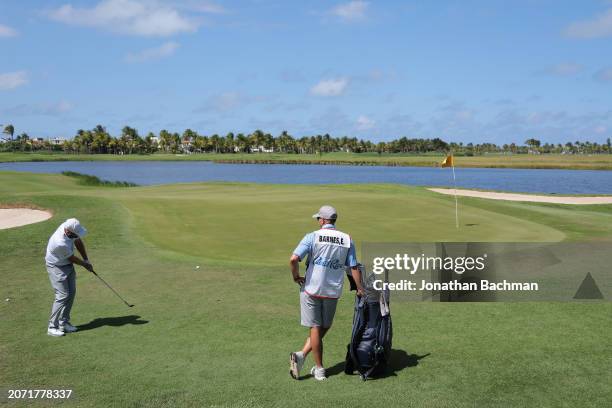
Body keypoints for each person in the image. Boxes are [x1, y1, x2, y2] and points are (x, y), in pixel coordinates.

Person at [289, 205, 364, 381]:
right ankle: (301, 357)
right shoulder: (347, 239)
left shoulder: (312, 236)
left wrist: (295, 277)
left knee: (316, 327)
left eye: (318, 219)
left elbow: (293, 259)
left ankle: (319, 369)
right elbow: (353, 267)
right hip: (332, 290)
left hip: (311, 288)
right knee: (324, 325)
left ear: (322, 220)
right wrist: (360, 288)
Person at [45, 218, 94, 337]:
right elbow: (72, 258)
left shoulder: (70, 229)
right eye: (75, 234)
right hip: (56, 266)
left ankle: (64, 323)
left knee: (71, 293)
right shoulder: (59, 242)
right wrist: (85, 265)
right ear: (68, 232)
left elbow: (78, 242)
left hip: (67, 264)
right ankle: (52, 326)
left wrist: (86, 259)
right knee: (62, 295)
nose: (77, 236)